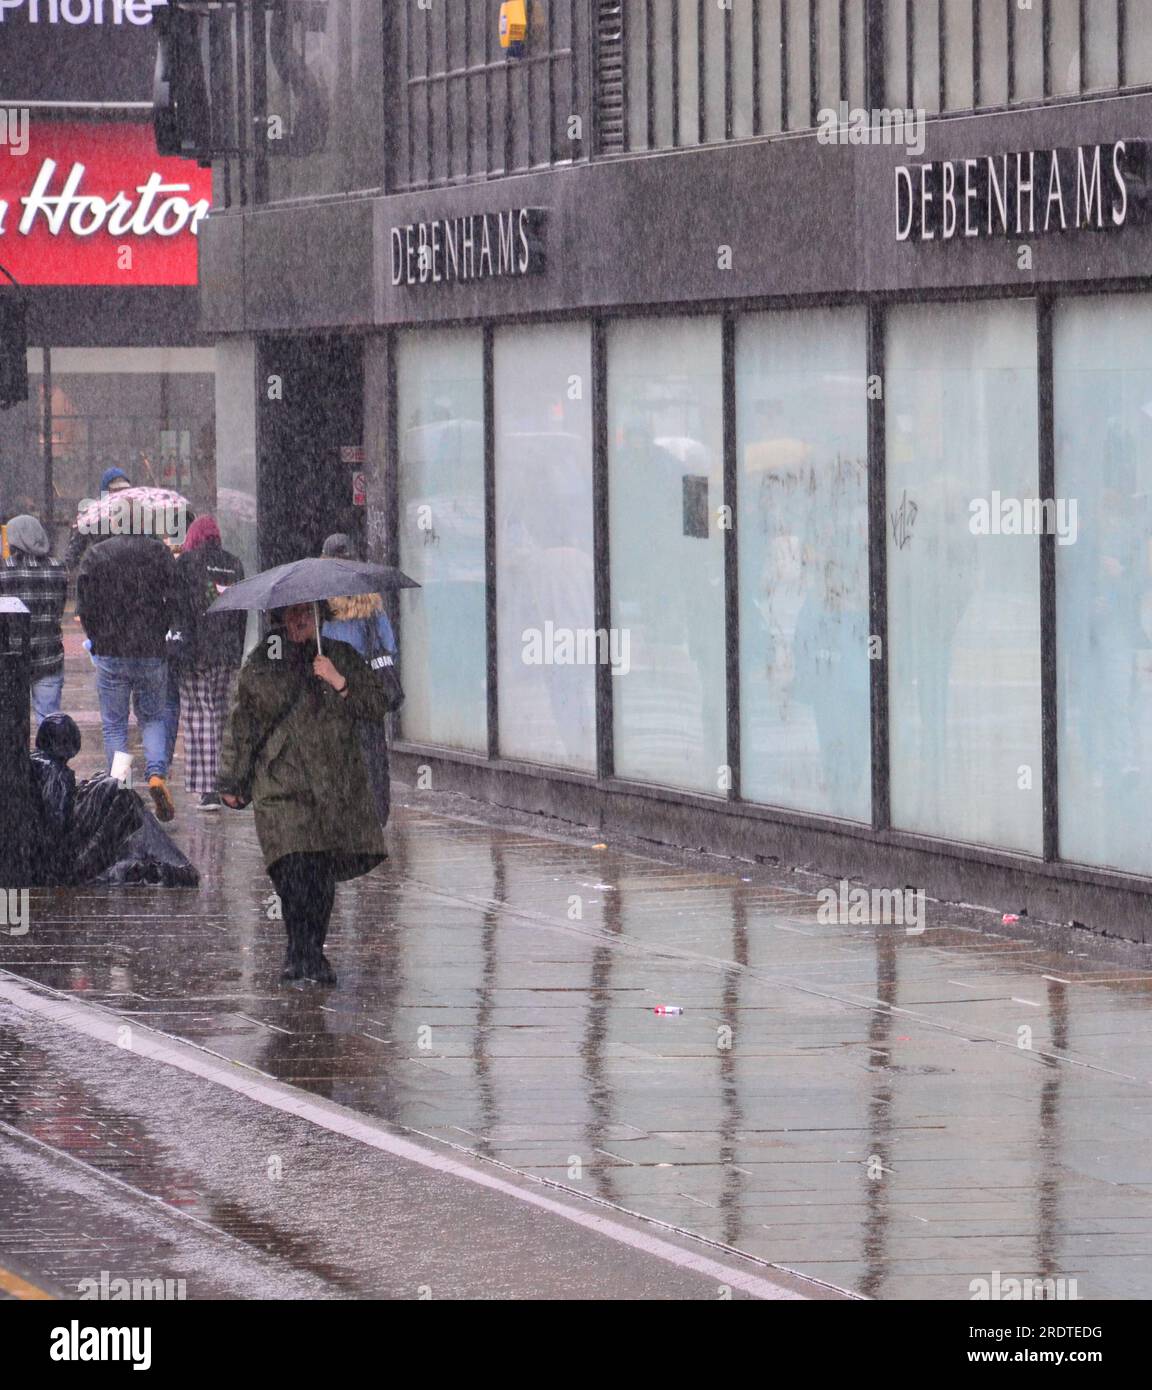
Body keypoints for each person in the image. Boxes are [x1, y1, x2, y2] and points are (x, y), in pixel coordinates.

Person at [217, 602, 391, 985]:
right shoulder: (261, 663)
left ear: (319, 617)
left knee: (319, 874)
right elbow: (241, 725)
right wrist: (231, 781)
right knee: (291, 867)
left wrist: (338, 681)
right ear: (278, 619)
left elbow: (377, 704)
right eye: (290, 614)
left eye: (306, 614)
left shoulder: (340, 656)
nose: (298, 622)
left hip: (331, 783)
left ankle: (310, 953)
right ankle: (300, 950)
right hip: (280, 784)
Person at [76, 523, 177, 823]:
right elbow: (173, 600)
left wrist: (96, 638)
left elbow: (85, 605)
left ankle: (122, 789)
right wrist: (159, 632)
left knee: (115, 725)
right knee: (153, 718)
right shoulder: (159, 553)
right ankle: (157, 774)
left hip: (110, 650)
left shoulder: (97, 555)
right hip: (150, 650)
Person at [29, 713, 198, 888]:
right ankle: (175, 863)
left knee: (114, 744)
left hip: (53, 854)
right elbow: (58, 823)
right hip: (61, 859)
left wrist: (85, 792)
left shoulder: (40, 763)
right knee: (120, 790)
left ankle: (160, 859)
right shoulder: (54, 772)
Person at [318, 532, 400, 827]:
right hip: (369, 691)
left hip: (336, 691)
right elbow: (389, 647)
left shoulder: (323, 608)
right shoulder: (372, 602)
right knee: (373, 750)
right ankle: (377, 812)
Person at [169, 515, 246, 810]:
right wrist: (236, 651)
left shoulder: (187, 564)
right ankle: (224, 780)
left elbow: (179, 610)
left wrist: (180, 647)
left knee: (200, 717)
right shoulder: (234, 564)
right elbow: (240, 614)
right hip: (227, 653)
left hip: (197, 652)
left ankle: (207, 789)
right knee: (222, 716)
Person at [0, 514, 68, 725]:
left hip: (11, 657)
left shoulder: (4, 570)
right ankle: (47, 757)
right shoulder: (58, 568)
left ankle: (16, 758)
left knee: (12, 722)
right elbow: (59, 607)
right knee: (47, 719)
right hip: (48, 656)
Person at [65, 467, 133, 573]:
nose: (121, 494)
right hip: (102, 571)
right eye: (116, 490)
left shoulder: (134, 512)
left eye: (124, 490)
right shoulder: (92, 514)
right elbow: (75, 548)